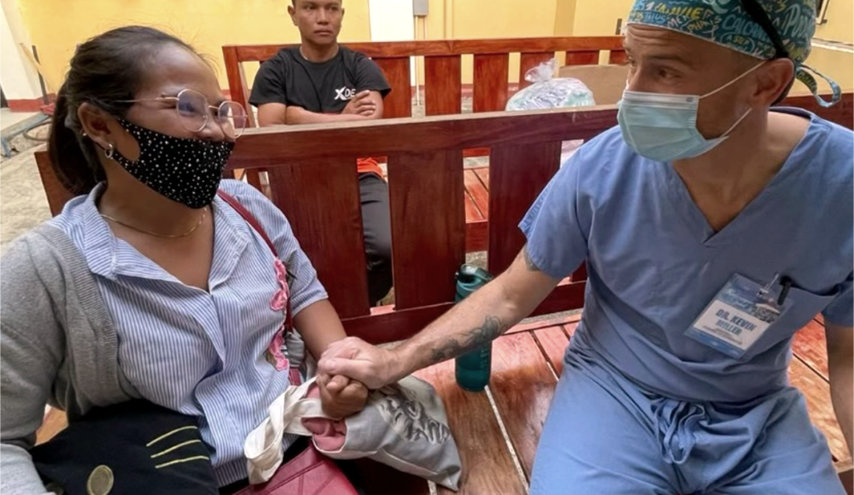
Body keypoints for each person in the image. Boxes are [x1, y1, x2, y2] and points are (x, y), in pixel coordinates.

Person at [319, 1, 854, 493]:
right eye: (632, 63)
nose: (632, 94)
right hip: (615, 394)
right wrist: (394, 359)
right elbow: (510, 294)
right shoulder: (603, 169)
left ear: (765, 83)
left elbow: (849, 359)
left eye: (666, 71)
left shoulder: (841, 187)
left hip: (753, 415)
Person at [0, 26, 368, 493]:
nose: (216, 131)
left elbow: (306, 293)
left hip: (295, 455)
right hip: (157, 481)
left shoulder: (247, 210)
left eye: (221, 111)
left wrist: (339, 366)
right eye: (188, 107)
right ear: (99, 124)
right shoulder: (47, 269)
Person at [249, 0, 393, 305]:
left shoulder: (359, 65)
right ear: (293, 14)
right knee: (285, 251)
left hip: (360, 172)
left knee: (386, 245)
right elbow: (272, 127)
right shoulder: (277, 69)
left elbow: (370, 122)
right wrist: (344, 116)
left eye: (331, 8)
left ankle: (359, 304)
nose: (323, 18)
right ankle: (310, 306)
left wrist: (298, 117)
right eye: (311, 8)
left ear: (342, 14)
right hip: (297, 177)